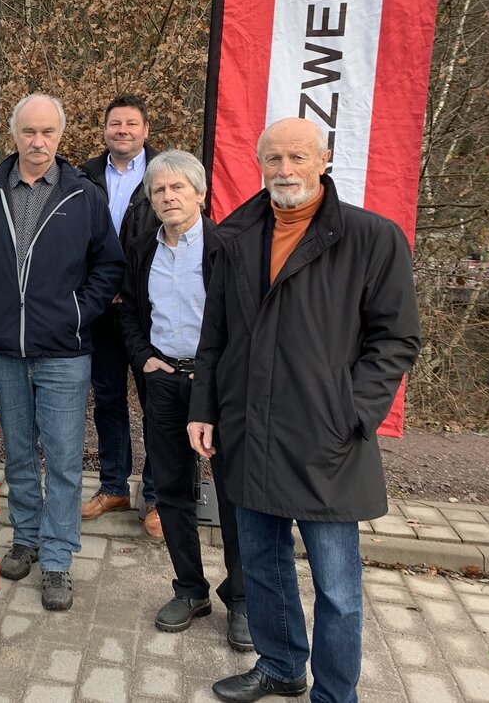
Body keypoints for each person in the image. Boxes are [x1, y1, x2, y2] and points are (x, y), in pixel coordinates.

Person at [189, 119, 420, 703]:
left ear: (324, 159)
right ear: (259, 163)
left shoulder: (372, 238)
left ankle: (336, 694)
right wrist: (205, 407)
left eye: (297, 156)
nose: (284, 169)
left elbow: (395, 340)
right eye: (273, 158)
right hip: (250, 432)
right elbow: (213, 334)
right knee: (263, 568)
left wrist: (353, 412)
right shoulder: (236, 237)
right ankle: (281, 665)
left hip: (327, 441)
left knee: (337, 588)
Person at [0, 93, 124, 611]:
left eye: (48, 132)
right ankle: (25, 538)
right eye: (29, 131)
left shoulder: (84, 196)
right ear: (14, 134)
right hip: (5, 350)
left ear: (61, 135)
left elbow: (109, 266)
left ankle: (57, 560)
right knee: (20, 452)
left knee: (66, 458)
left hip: (64, 353)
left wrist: (76, 313)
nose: (38, 141)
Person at [118, 150, 249, 652]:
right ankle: (190, 590)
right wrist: (143, 356)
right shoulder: (142, 249)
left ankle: (241, 599)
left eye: (177, 188)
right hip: (165, 382)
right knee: (171, 490)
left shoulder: (226, 247)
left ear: (200, 194)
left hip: (217, 385)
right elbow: (128, 310)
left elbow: (244, 321)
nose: (168, 197)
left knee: (235, 496)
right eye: (159, 191)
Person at [79, 94, 161, 535]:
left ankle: (156, 497)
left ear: (145, 130)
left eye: (131, 124)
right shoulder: (83, 175)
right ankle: (113, 485)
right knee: (108, 399)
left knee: (157, 403)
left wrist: (129, 289)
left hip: (149, 311)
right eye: (115, 124)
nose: (123, 130)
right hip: (99, 309)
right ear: (105, 130)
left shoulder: (166, 174)